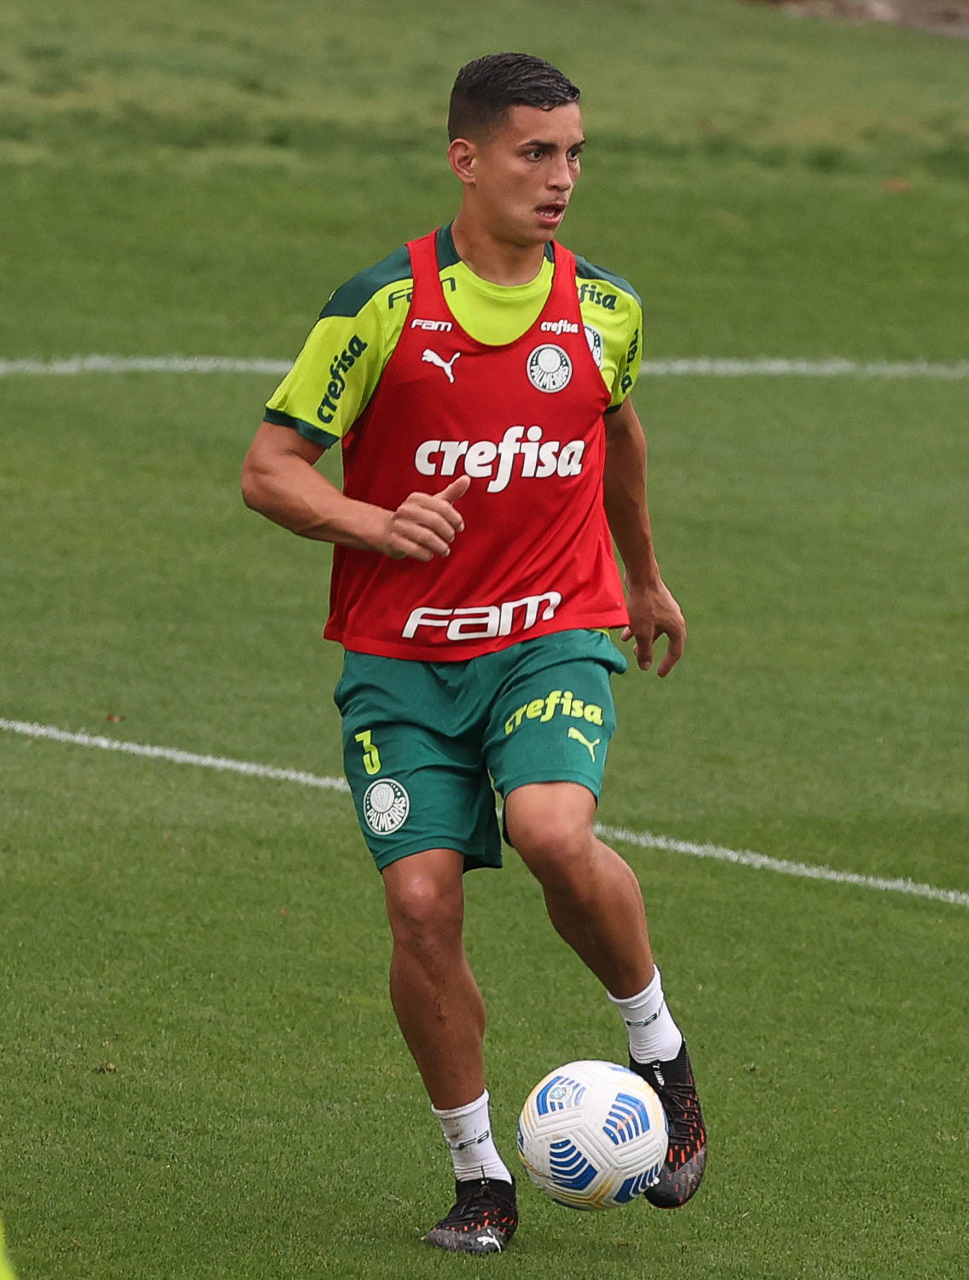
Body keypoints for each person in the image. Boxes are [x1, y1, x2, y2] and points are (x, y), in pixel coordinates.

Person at [241, 52, 706, 1254]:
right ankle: (480, 1176)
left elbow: (617, 435)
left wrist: (643, 576)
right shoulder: (381, 306)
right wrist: (372, 521)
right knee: (419, 900)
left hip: (551, 631)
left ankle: (659, 1052)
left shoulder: (605, 308)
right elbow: (270, 470)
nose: (561, 179)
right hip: (400, 659)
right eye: (534, 153)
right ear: (466, 158)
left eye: (574, 154)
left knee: (552, 828)